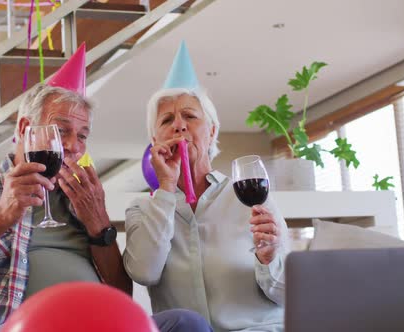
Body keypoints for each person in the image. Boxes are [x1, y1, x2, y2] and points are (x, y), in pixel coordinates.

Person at [0, 44, 210, 332]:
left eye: (82, 136)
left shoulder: (81, 198)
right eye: (61, 131)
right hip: (8, 328)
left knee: (183, 323)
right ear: (25, 129)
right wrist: (1, 215)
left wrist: (99, 224)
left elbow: (121, 297)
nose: (72, 146)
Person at [123, 42, 290, 332]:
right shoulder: (143, 208)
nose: (179, 125)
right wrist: (165, 186)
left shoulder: (250, 200)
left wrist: (269, 258)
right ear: (155, 140)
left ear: (211, 131)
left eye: (189, 116)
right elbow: (145, 272)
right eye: (167, 120)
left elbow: (289, 294)